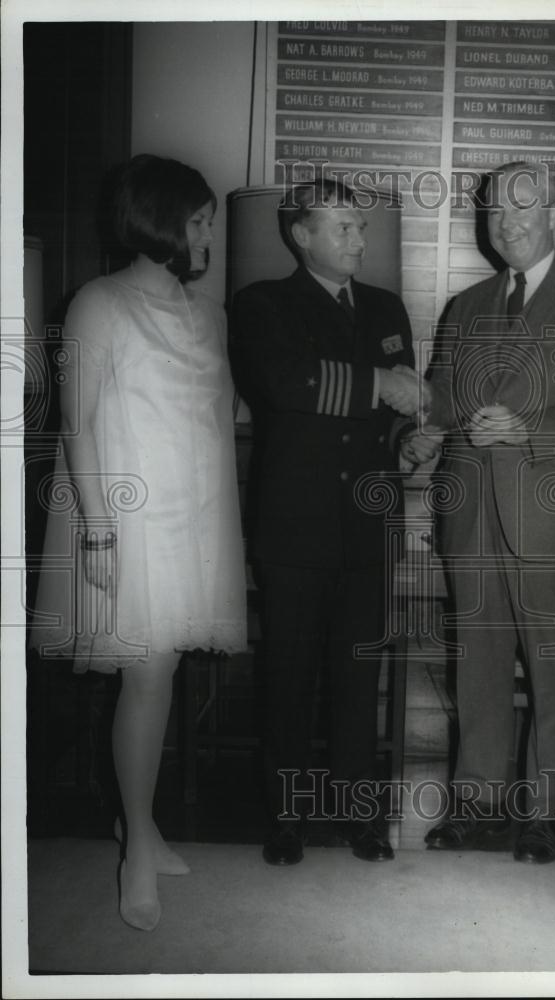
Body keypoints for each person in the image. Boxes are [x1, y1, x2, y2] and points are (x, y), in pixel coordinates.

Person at [30, 154, 248, 931]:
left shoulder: (207, 312)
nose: (205, 236)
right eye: (196, 222)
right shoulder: (98, 303)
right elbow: (78, 423)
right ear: (157, 222)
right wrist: (96, 529)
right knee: (147, 677)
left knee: (165, 674)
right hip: (129, 522)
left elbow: (211, 420)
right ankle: (134, 850)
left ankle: (142, 825)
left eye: (208, 223)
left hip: (196, 520)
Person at [412, 161, 555, 862]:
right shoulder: (466, 306)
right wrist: (419, 431)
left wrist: (529, 430)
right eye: (493, 212)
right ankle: (474, 803)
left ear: (551, 210)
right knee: (476, 664)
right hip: (470, 512)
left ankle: (545, 813)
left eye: (521, 209)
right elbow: (442, 403)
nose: (506, 224)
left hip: (550, 515)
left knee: (553, 671)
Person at [231, 179, 427, 867]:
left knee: (356, 677)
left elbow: (400, 413)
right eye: (341, 227)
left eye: (360, 227)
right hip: (295, 526)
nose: (358, 240)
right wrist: (380, 385)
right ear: (300, 234)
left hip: (367, 524)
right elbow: (286, 383)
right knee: (288, 678)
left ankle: (355, 815)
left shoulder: (384, 306)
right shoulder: (262, 304)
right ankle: (286, 815)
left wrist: (411, 440)